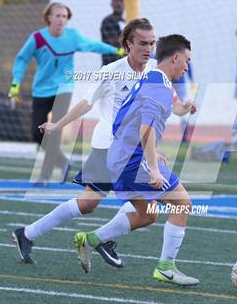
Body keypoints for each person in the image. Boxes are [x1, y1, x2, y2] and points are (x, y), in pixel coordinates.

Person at [11, 18, 195, 266]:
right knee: (99, 204)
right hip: (109, 147)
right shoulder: (111, 72)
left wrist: (184, 108)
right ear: (129, 44)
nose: (148, 48)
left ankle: (44, 234)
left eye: (152, 43)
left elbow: (172, 106)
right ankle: (89, 238)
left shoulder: (156, 70)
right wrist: (57, 124)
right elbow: (86, 103)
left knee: (145, 209)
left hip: (132, 151)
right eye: (142, 43)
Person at [75, 34, 198, 286]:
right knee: (182, 204)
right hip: (131, 161)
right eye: (186, 60)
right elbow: (147, 129)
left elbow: (129, 119)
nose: (187, 66)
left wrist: (146, 150)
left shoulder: (151, 78)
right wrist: (152, 167)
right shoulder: (160, 86)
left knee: (147, 214)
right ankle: (165, 268)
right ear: (175, 57)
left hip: (120, 158)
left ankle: (91, 239)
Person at [8, 2, 124, 185]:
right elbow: (22, 60)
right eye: (58, 15)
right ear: (49, 17)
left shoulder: (73, 37)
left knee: (54, 131)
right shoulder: (37, 38)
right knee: (36, 133)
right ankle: (63, 162)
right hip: (41, 90)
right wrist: (15, 84)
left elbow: (93, 46)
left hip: (64, 88)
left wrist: (116, 50)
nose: (62, 19)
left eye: (65, 16)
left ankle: (44, 176)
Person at [172, 62, 195, 143]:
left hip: (180, 85)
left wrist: (192, 80)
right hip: (168, 84)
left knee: (183, 111)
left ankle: (185, 135)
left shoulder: (181, 51)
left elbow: (187, 63)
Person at [101, 0, 125, 65]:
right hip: (110, 63)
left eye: (121, 0)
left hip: (122, 64)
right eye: (115, 1)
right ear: (111, 4)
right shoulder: (108, 20)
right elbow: (114, 42)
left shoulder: (125, 21)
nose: (118, 3)